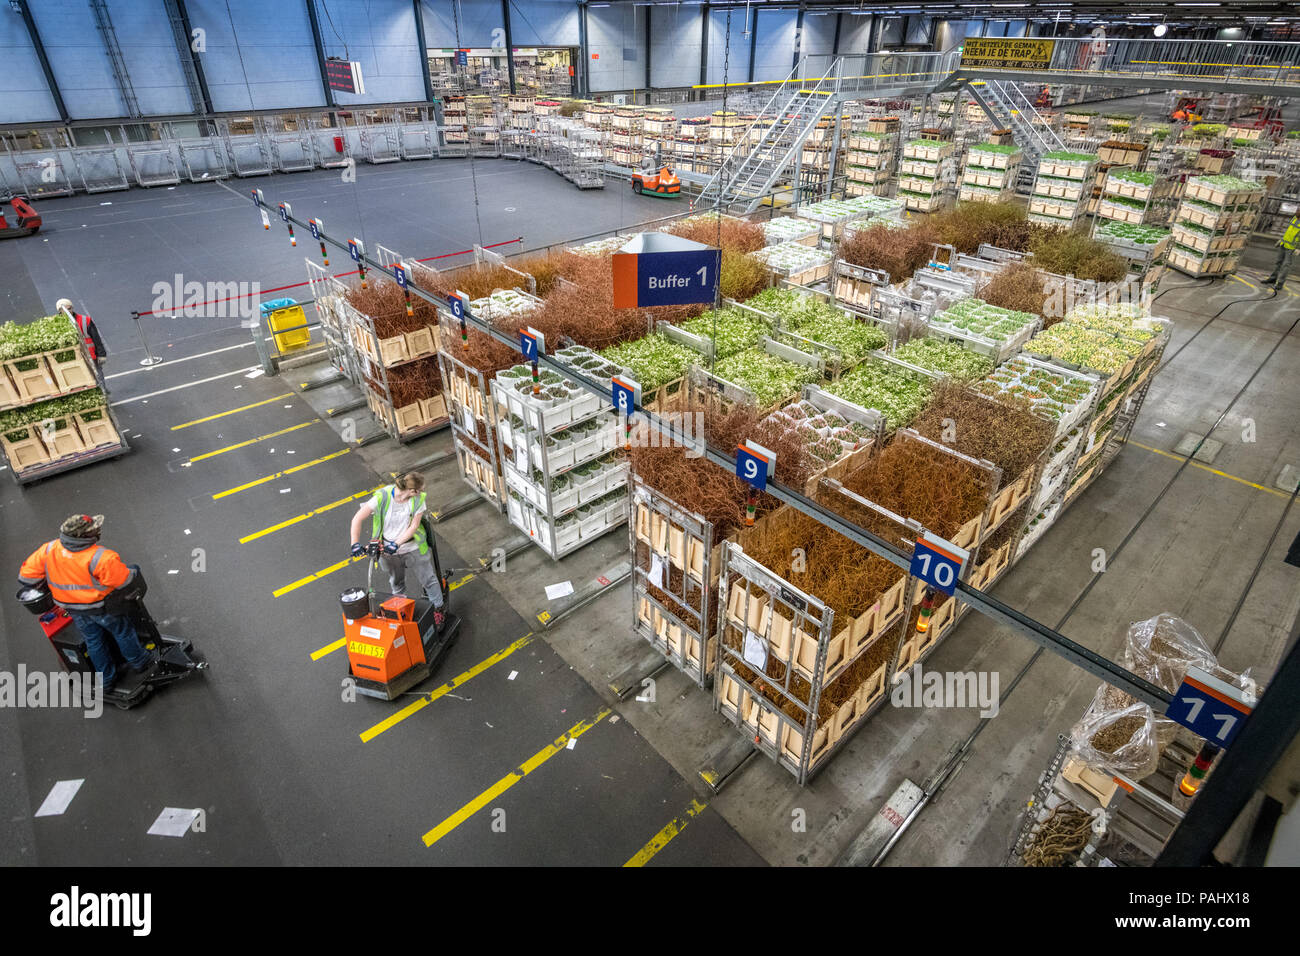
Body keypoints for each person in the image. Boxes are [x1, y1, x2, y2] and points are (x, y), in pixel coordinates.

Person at [17, 514, 153, 693]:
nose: (98, 530)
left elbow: (25, 577)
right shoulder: (101, 557)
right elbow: (124, 581)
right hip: (102, 608)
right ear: (86, 536)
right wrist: (132, 571)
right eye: (95, 529)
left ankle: (106, 679)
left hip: (74, 609)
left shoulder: (49, 549)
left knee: (94, 641)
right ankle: (140, 662)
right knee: (123, 632)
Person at [349, 472, 446, 630]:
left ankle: (438, 609)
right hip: (388, 552)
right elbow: (357, 519)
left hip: (412, 547)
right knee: (396, 582)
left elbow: (414, 526)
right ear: (412, 490)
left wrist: (397, 543)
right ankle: (402, 611)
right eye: (420, 490)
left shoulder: (417, 500)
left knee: (428, 579)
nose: (422, 493)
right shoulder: (382, 497)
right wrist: (355, 543)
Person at [56, 297, 107, 365]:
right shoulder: (56, 325)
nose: (69, 312)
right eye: (65, 310)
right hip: (73, 361)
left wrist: (102, 354)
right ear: (60, 311)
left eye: (70, 309)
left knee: (98, 375)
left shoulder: (85, 320)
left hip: (91, 357)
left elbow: (96, 339)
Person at [1264, 212, 1299, 290]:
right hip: (1284, 243)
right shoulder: (1294, 218)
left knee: (1286, 266)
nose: (1297, 211)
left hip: (1292, 248)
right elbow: (1288, 231)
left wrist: (1298, 248)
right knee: (1278, 262)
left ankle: (1280, 283)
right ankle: (1273, 278)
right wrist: (1281, 240)